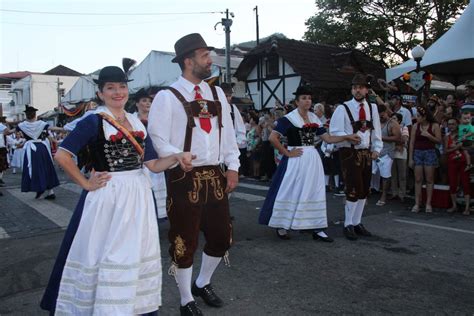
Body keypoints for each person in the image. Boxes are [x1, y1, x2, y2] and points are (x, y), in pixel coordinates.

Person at [40, 66, 193, 315]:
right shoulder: (94, 121)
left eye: (121, 87)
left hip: (138, 194)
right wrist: (86, 183)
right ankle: (103, 305)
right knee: (106, 252)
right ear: (101, 93)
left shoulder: (137, 123)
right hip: (109, 196)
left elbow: (153, 165)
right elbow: (63, 155)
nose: (117, 92)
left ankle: (131, 304)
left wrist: (176, 157)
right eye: (110, 88)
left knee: (134, 250)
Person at [147, 33, 240, 316]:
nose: (210, 60)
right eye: (204, 56)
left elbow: (229, 134)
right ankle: (186, 298)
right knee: (183, 240)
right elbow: (157, 136)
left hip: (215, 174)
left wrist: (233, 166)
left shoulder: (216, 94)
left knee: (222, 237)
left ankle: (203, 282)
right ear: (188, 61)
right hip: (182, 176)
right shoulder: (167, 96)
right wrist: (176, 154)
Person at [259, 86, 360, 241]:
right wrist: (287, 152)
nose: (308, 101)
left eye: (309, 98)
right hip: (295, 159)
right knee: (291, 190)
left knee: (314, 191)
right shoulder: (288, 119)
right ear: (297, 101)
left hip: (312, 158)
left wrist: (348, 137)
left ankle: (316, 227)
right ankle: (282, 224)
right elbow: (273, 138)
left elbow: (328, 139)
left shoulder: (314, 118)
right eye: (304, 98)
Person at [329, 74, 383, 240]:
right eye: (354, 87)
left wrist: (377, 149)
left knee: (364, 190)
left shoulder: (372, 108)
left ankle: (357, 222)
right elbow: (334, 131)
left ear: (366, 90)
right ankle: (348, 224)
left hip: (366, 152)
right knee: (353, 189)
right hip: (349, 153)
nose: (357, 90)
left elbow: (376, 131)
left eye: (360, 87)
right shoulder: (342, 108)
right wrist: (348, 137)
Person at [16, 105, 61, 199]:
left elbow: (11, 132)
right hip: (41, 148)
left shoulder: (22, 126)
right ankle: (50, 192)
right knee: (46, 168)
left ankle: (39, 188)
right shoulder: (41, 124)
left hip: (31, 150)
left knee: (34, 169)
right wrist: (64, 129)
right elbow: (51, 131)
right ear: (35, 115)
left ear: (26, 115)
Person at [408, 105, 442, 213]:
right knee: (418, 179)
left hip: (429, 152)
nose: (416, 118)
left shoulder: (434, 125)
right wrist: (410, 158)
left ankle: (428, 203)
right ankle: (417, 203)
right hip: (418, 152)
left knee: (429, 179)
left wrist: (429, 136)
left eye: (418, 116)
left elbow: (439, 141)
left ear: (425, 117)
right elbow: (411, 143)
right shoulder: (415, 126)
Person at [373, 104, 401, 206]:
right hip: (374, 152)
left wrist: (381, 138)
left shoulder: (393, 123)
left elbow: (398, 138)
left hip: (387, 153)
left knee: (385, 175)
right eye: (378, 115)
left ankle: (383, 196)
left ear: (386, 112)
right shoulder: (374, 122)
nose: (381, 117)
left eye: (382, 115)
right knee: (369, 173)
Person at [221, 82, 247, 177]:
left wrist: (235, 144)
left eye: (230, 95)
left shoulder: (232, 108)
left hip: (228, 154)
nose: (229, 98)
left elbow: (241, 131)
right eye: (226, 95)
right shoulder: (211, 107)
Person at [445, 118, 470, 215]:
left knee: (465, 183)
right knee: (453, 183)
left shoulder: (463, 135)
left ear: (457, 124)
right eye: (449, 124)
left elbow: (467, 147)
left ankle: (467, 208)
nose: (451, 126)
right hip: (452, 161)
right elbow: (446, 151)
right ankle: (454, 205)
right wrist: (456, 147)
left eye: (453, 124)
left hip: (463, 161)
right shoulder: (447, 137)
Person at [390, 113, 409, 202]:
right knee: (393, 175)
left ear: (399, 120)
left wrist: (395, 141)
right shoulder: (389, 127)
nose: (392, 120)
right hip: (392, 153)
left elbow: (405, 139)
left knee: (402, 175)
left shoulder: (404, 127)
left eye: (394, 118)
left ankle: (402, 194)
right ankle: (394, 193)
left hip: (401, 154)